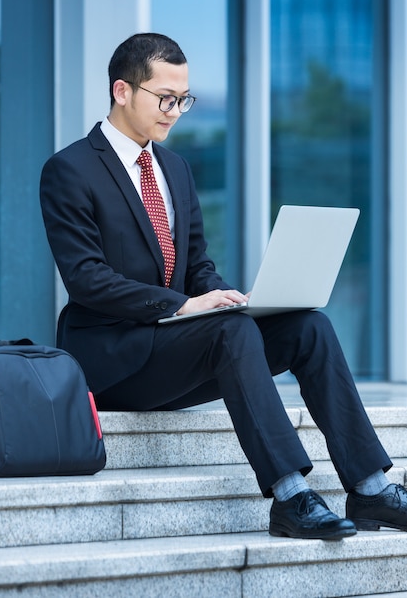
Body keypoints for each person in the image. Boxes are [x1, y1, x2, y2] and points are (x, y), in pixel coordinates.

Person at [40, 32, 407, 540]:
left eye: (183, 99)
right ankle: (290, 496)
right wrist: (187, 306)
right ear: (122, 91)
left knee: (309, 327)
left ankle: (370, 491)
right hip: (113, 360)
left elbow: (197, 267)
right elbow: (86, 279)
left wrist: (230, 298)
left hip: (173, 352)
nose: (175, 111)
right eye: (164, 98)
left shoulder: (175, 168)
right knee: (229, 335)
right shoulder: (69, 169)